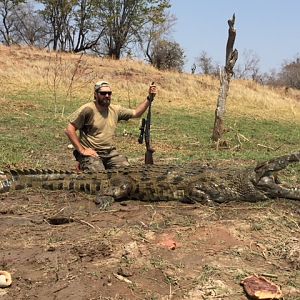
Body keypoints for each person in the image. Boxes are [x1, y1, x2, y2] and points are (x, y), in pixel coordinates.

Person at [65, 80, 156, 172]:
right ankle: (83, 165)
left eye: (109, 93)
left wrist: (149, 98)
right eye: (103, 93)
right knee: (98, 176)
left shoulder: (115, 110)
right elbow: (69, 129)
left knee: (127, 173)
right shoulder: (87, 109)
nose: (107, 96)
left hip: (110, 153)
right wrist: (82, 150)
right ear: (95, 94)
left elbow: (136, 113)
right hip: (92, 153)